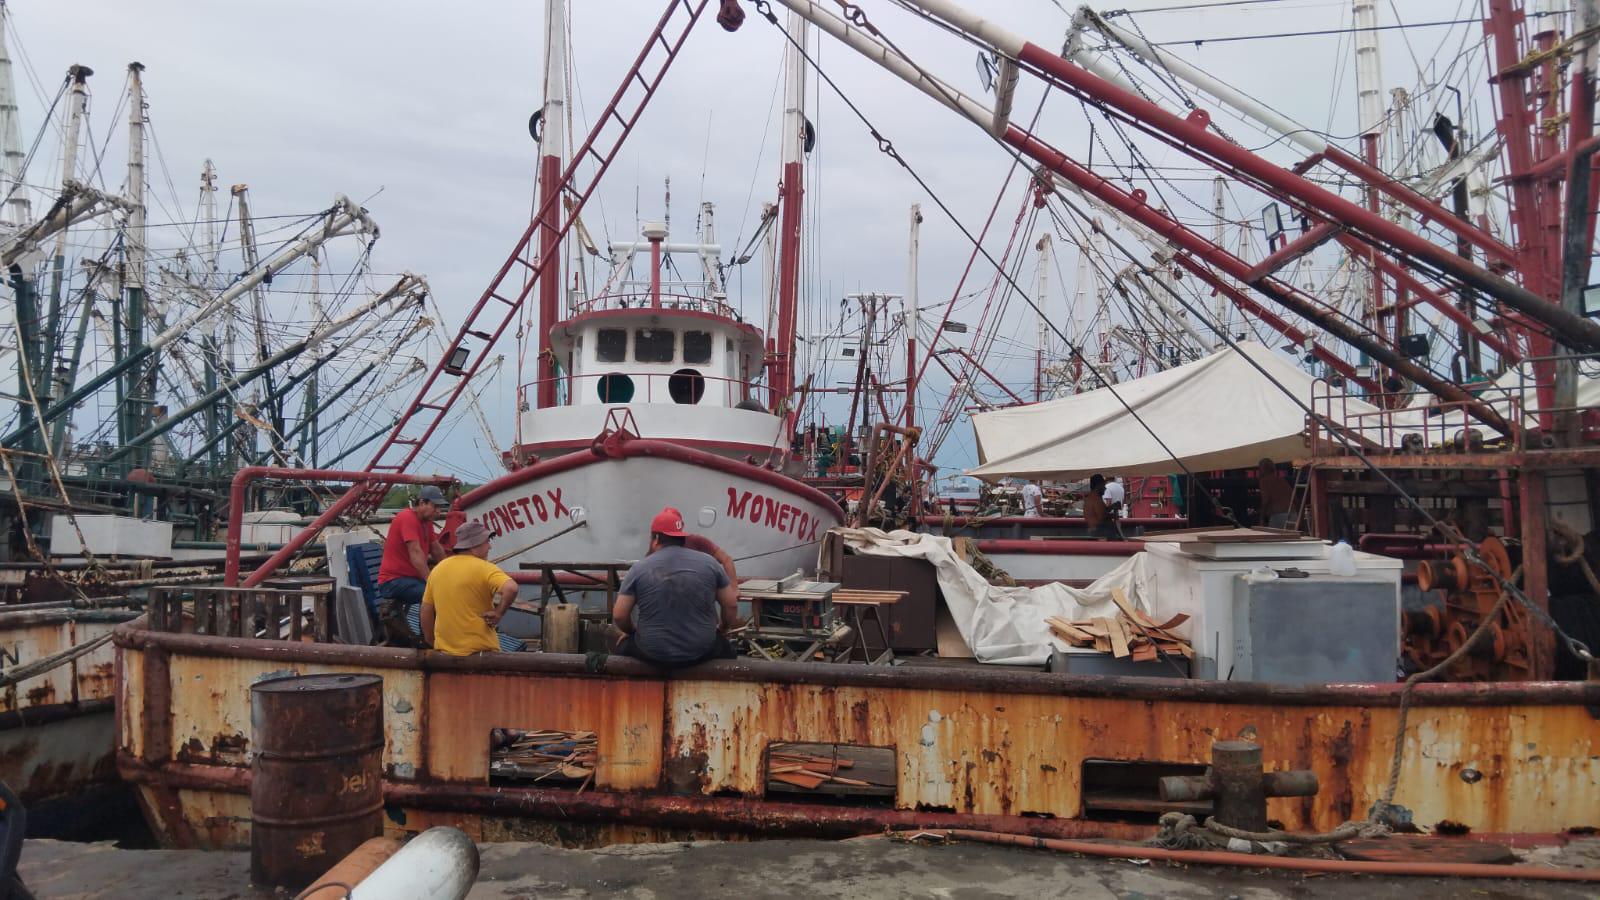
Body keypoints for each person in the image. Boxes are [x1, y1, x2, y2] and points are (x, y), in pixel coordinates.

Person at [611, 507, 739, 668]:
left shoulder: (639, 568)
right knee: (729, 652)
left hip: (652, 652)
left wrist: (631, 633)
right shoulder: (710, 563)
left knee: (620, 650)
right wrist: (723, 629)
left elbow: (619, 615)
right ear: (682, 538)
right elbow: (731, 605)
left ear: (656, 538)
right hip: (702, 651)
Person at [420, 521, 519, 656]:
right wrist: (498, 613)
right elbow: (511, 588)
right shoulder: (484, 568)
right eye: (486, 542)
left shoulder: (438, 569)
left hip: (445, 652)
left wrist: (431, 641)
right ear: (474, 546)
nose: (489, 547)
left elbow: (426, 610)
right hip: (480, 651)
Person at [377, 485, 448, 639]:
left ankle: (438, 636)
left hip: (409, 580)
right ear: (422, 503)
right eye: (435, 506)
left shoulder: (426, 522)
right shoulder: (407, 518)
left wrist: (451, 571)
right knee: (432, 595)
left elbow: (436, 549)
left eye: (440, 507)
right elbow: (415, 552)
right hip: (392, 582)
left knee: (442, 591)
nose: (438, 511)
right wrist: (431, 581)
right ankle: (430, 641)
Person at [1257, 457, 1293, 528]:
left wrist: (1261, 518)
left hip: (1278, 516)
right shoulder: (1282, 480)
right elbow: (1294, 498)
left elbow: (1266, 500)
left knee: (1273, 538)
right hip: (1292, 515)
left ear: (1262, 469)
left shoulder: (1264, 481)